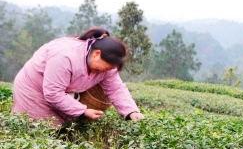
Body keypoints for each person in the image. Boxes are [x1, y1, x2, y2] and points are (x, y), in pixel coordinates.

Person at [12, 27, 144, 126]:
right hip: (33, 90)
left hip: (61, 92)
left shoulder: (107, 67)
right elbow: (53, 93)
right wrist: (83, 111)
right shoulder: (65, 56)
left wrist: (131, 112)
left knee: (63, 128)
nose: (107, 71)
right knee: (39, 128)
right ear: (97, 54)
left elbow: (116, 89)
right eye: (107, 67)